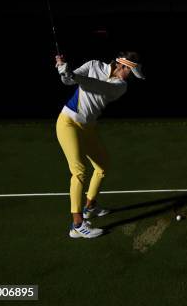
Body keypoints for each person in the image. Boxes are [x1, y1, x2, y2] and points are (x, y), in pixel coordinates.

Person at [55, 51, 145, 238]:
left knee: (103, 166)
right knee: (79, 171)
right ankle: (77, 225)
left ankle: (90, 207)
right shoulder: (94, 64)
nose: (130, 77)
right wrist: (64, 71)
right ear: (123, 66)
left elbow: (98, 86)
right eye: (131, 72)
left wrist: (73, 75)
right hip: (67, 123)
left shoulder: (120, 86)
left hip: (88, 127)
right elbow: (69, 82)